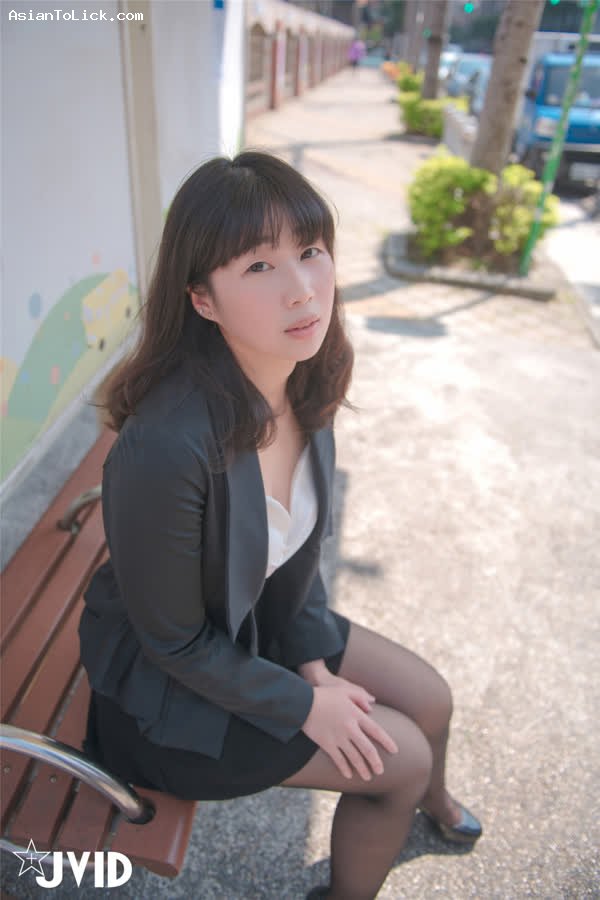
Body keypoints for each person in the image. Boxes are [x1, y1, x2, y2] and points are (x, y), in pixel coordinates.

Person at [78, 150, 482, 900]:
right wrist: (306, 704)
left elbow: (294, 561)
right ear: (203, 299)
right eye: (259, 266)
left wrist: (313, 664)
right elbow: (173, 642)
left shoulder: (301, 380)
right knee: (400, 760)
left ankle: (429, 806)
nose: (302, 289)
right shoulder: (168, 447)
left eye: (311, 251)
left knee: (430, 699)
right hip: (168, 701)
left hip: (254, 629)